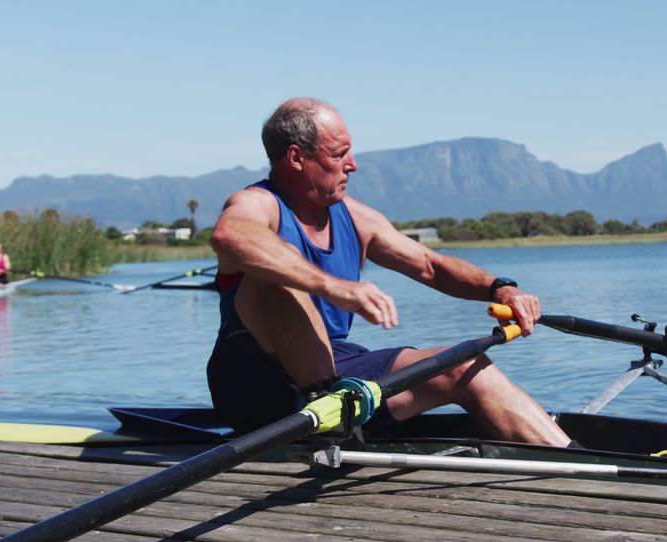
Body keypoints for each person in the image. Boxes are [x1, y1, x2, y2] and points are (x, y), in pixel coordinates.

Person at [207, 98, 572, 447]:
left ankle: (576, 458)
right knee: (276, 266)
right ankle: (329, 414)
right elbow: (229, 235)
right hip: (255, 389)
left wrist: (501, 289)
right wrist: (334, 287)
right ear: (296, 158)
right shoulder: (256, 203)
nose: (353, 165)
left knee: (466, 365)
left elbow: (431, 266)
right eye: (338, 154)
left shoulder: (353, 216)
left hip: (335, 366)